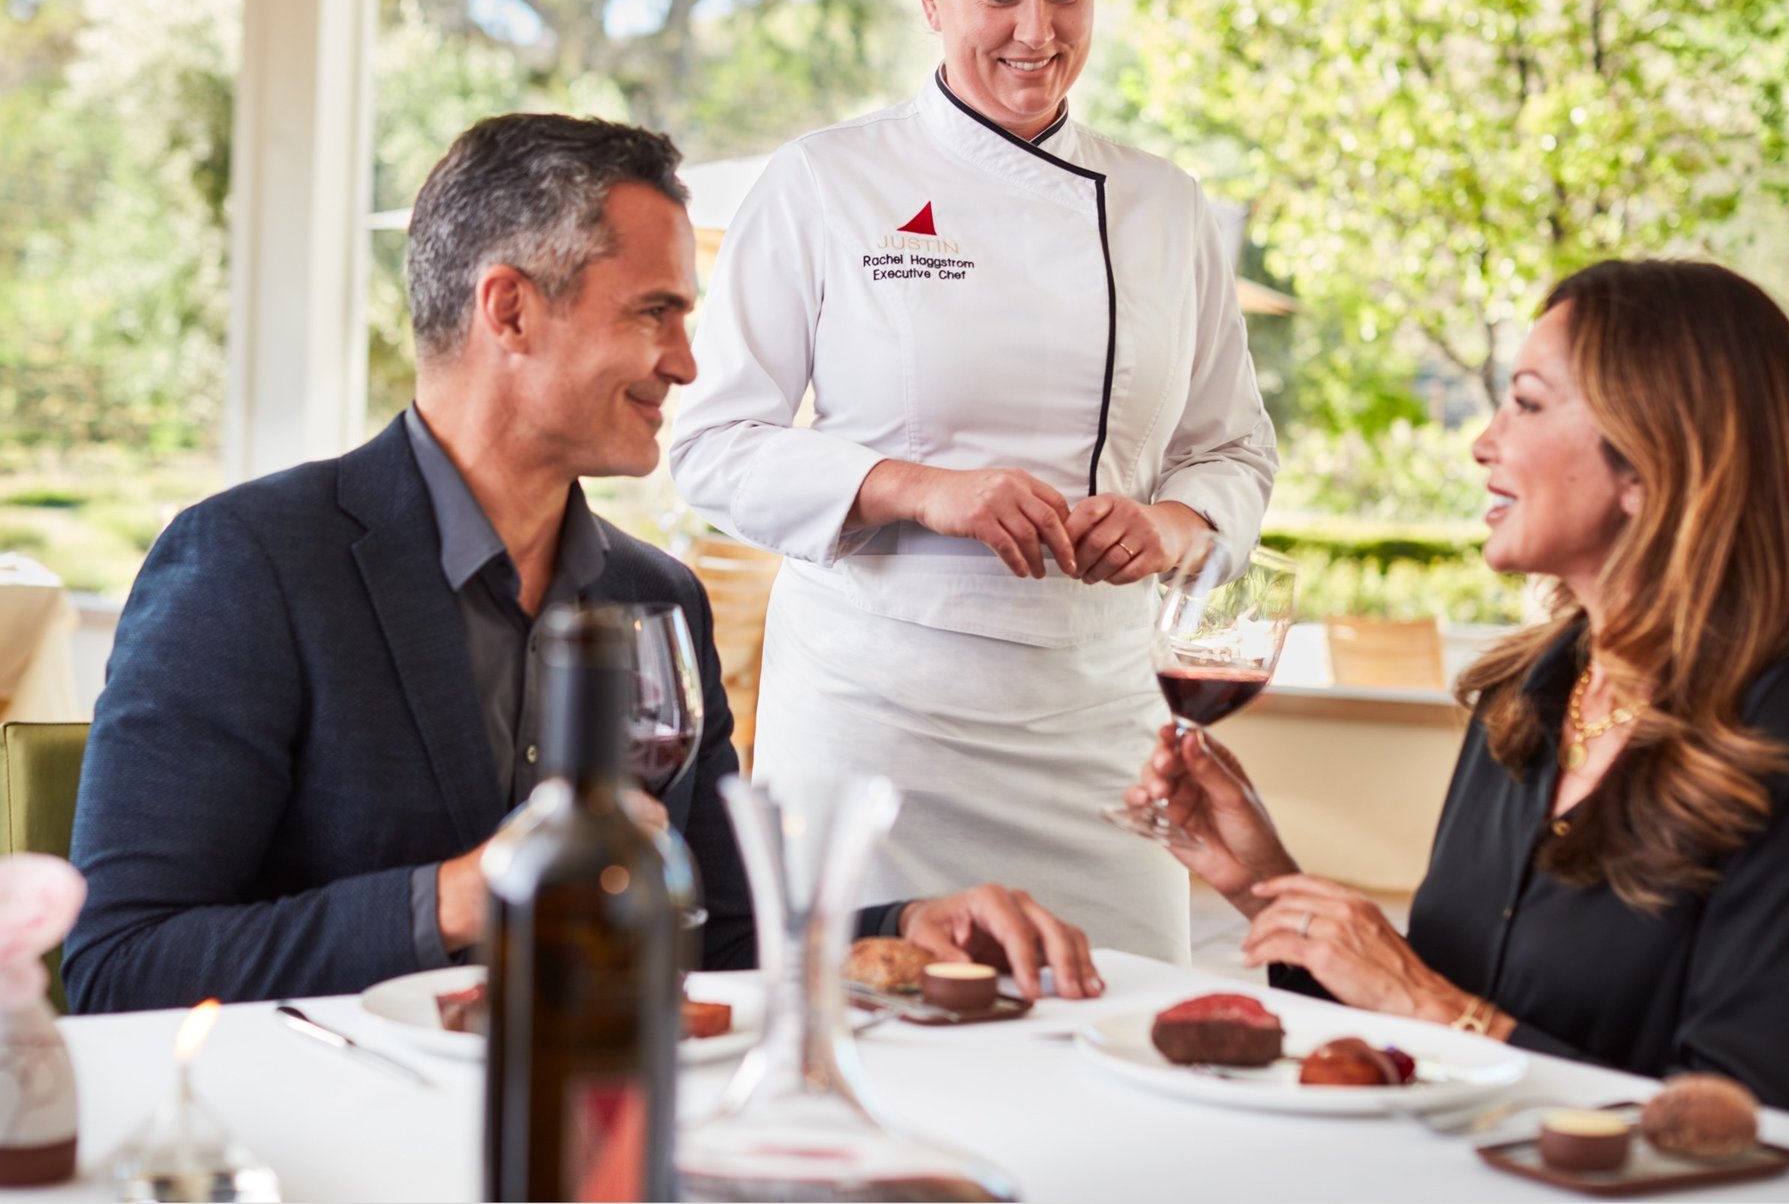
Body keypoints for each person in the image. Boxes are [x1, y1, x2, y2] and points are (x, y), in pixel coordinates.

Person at [64, 113, 1100, 1015]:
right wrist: (465, 895)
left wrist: (908, 922)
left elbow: (718, 933)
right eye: (657, 311)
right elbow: (122, 965)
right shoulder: (247, 564)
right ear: (508, 309)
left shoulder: (658, 603)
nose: (689, 363)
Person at [669, 0, 1278, 962]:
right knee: (879, 1035)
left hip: (1102, 722)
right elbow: (711, 447)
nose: (1036, 33)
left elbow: (1233, 453)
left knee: (1118, 1030)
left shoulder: (1163, 206)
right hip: (875, 722)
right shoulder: (825, 183)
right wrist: (914, 490)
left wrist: (1172, 523)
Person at [1127, 260, 1789, 1121]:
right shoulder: (1524, 697)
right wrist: (1261, 880)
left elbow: (1741, 1121)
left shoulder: (1786, 732)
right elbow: (1437, 1036)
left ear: (1649, 460)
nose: (1482, 441)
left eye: (1526, 402)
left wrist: (1419, 997)